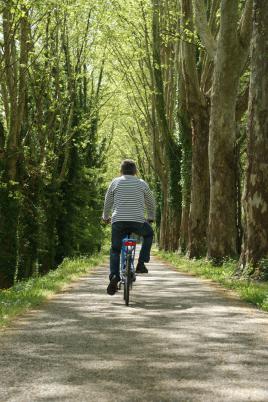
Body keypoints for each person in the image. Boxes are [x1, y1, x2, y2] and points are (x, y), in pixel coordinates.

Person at [102, 159, 156, 295]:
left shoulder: (115, 182)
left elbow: (107, 202)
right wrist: (150, 217)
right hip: (137, 221)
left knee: (115, 249)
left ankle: (114, 276)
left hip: (118, 221)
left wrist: (105, 217)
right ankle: (141, 263)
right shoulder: (141, 183)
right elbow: (151, 202)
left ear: (121, 171)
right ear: (135, 171)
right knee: (149, 234)